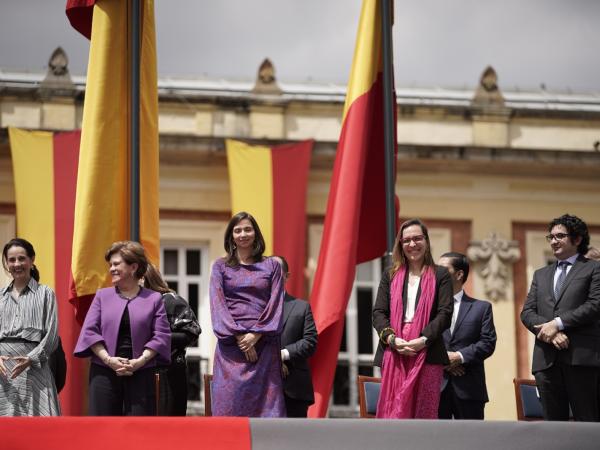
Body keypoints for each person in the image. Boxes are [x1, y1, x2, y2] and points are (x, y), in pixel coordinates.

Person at [74, 241, 171, 416]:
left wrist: (139, 362)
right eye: (110, 265)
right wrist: (109, 360)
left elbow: (161, 336)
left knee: (139, 433)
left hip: (142, 373)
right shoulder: (102, 296)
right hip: (104, 371)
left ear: (133, 267)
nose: (111, 269)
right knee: (101, 431)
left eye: (116, 264)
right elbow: (90, 332)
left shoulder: (154, 299)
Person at [521, 214, 600, 421]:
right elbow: (527, 312)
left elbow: (594, 305)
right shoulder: (541, 274)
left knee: (587, 423)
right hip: (546, 361)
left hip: (580, 360)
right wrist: (549, 334)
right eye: (551, 237)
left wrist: (557, 323)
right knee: (553, 427)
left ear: (577, 239)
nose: (554, 241)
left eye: (560, 236)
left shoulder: (593, 268)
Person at [372, 218, 453, 419]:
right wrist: (392, 339)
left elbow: (445, 313)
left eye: (417, 238)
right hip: (395, 349)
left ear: (426, 241)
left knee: (424, 412)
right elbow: (379, 313)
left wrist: (423, 340)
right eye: (406, 240)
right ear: (400, 244)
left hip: (428, 350)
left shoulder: (441, 275)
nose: (412, 244)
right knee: (395, 412)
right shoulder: (389, 275)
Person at [209, 211, 285, 417]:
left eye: (247, 229)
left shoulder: (272, 265)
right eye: (238, 230)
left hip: (265, 345)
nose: (243, 234)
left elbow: (276, 302)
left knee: (267, 409)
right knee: (229, 405)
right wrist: (241, 337)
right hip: (230, 345)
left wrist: (256, 335)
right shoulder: (220, 266)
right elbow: (218, 304)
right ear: (231, 236)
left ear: (256, 233)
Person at [0, 238, 60, 416]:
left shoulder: (45, 293)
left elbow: (52, 335)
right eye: (11, 260)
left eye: (21, 258)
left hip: (35, 368)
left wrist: (30, 359)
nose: (16, 264)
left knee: (38, 430)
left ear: (32, 260)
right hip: (2, 371)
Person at [437, 252, 496, 420]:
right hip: (436, 387)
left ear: (459, 274)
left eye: (442, 269)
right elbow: (423, 340)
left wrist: (460, 357)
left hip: (470, 388)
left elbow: (488, 343)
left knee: (472, 442)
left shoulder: (481, 308)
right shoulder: (428, 308)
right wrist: (444, 360)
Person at [143, 263, 201, 416]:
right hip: (137, 374)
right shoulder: (127, 302)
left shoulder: (170, 300)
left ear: (147, 278)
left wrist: (155, 338)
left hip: (167, 374)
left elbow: (190, 333)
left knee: (166, 429)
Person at [273, 255, 317, 418]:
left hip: (293, 390)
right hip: (262, 390)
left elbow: (310, 342)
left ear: (286, 276)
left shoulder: (301, 307)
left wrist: (282, 355)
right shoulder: (255, 309)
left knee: (295, 441)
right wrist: (272, 359)